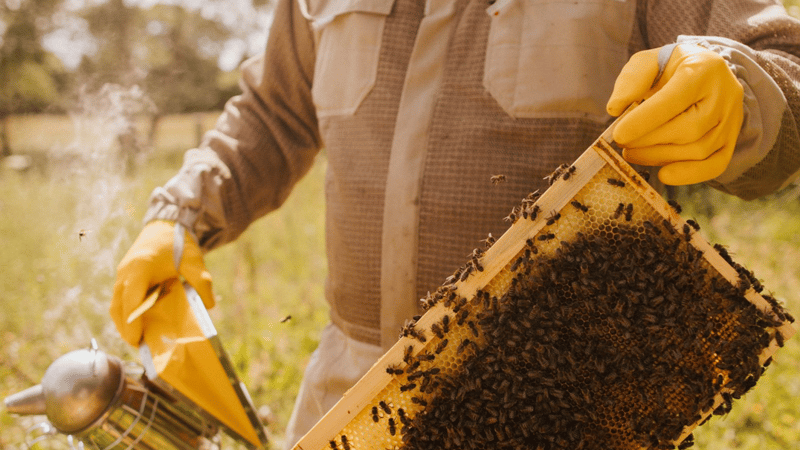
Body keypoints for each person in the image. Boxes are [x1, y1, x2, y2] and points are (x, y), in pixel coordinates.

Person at [110, 0, 800, 447]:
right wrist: (181, 214)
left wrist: (741, 90)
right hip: (349, 394)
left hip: (564, 403)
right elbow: (274, 112)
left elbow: (785, 64)